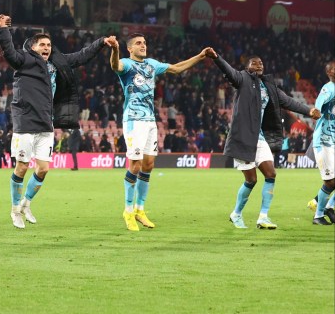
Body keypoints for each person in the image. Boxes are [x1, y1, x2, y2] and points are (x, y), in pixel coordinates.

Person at [0, 16, 115, 228]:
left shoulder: (57, 63)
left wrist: (100, 42)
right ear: (33, 48)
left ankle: (26, 204)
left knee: (42, 169)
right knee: (22, 167)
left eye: (49, 45)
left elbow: (81, 56)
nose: (47, 48)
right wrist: (3, 29)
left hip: (46, 123)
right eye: (42, 44)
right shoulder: (24, 60)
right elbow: (8, 51)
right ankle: (15, 210)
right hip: (25, 122)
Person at [205, 50, 319, 229]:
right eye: (254, 63)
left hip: (259, 137)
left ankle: (263, 217)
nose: (259, 65)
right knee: (251, 180)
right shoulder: (242, 79)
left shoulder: (269, 86)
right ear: (247, 67)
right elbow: (229, 71)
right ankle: (236, 214)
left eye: (261, 63)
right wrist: (216, 58)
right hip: (242, 138)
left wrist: (309, 111)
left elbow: (288, 101)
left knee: (271, 174)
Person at [109, 34, 209, 232]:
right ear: (129, 48)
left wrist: (200, 56)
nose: (143, 45)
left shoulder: (152, 64)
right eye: (139, 43)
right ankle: (128, 210)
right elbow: (115, 66)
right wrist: (114, 49)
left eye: (145, 42)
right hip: (133, 120)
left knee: (149, 164)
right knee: (135, 165)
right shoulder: (127, 64)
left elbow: (177, 68)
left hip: (150, 121)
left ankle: (140, 210)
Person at [310, 61, 335, 225]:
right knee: (330, 181)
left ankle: (329, 206)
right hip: (324, 141)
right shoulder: (329, 88)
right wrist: (316, 110)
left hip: (333, 141)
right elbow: (319, 101)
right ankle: (318, 215)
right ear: (329, 73)